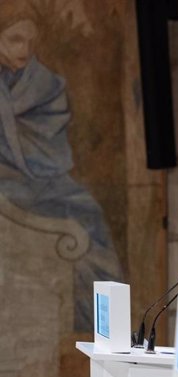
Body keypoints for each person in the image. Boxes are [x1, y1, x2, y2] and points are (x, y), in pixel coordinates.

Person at [0, 4, 122, 332]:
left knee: (88, 212)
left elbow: (47, 149)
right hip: (6, 185)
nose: (24, 50)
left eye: (30, 41)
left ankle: (100, 325)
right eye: (14, 39)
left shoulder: (47, 86)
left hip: (41, 179)